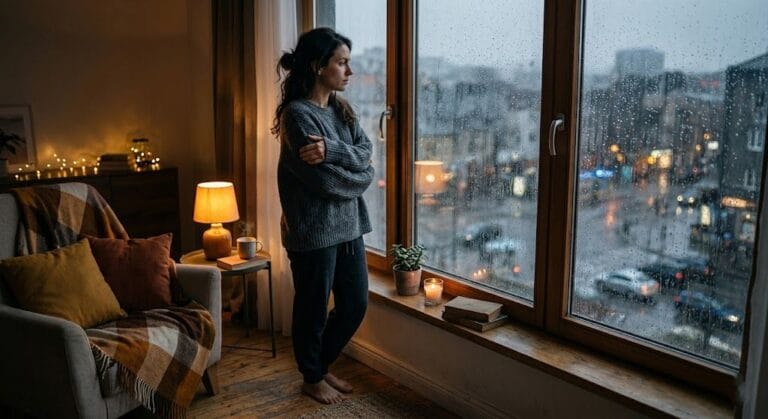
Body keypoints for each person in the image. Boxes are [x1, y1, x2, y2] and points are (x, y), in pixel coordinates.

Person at [273, 27, 374, 405]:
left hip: (349, 228)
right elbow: (329, 184)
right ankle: (311, 376)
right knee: (312, 309)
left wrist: (331, 149)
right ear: (318, 66)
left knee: (355, 304)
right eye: (342, 62)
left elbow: (366, 160)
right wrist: (356, 173)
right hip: (313, 232)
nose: (349, 71)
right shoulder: (297, 117)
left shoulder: (340, 110)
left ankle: (321, 365)